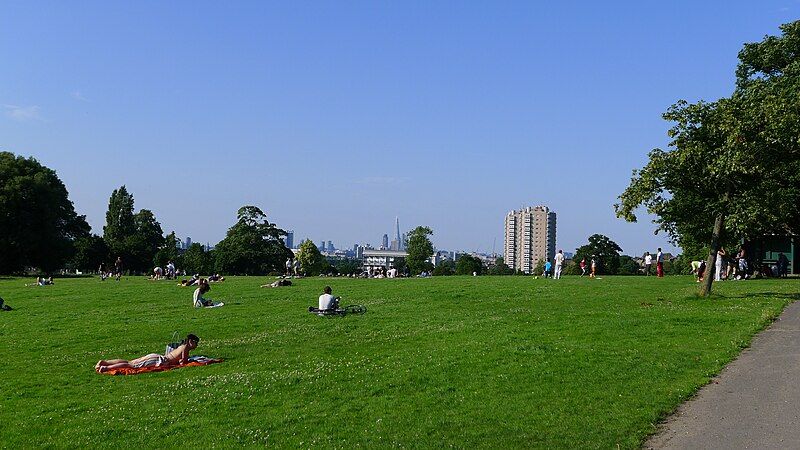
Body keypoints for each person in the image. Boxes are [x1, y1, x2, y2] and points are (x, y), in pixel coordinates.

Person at [95, 334, 200, 373]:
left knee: (130, 362)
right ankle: (106, 368)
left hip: (157, 357)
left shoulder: (182, 346)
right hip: (159, 360)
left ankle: (105, 362)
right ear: (191, 341)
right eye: (196, 343)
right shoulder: (186, 348)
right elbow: (184, 362)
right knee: (131, 365)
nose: (196, 346)